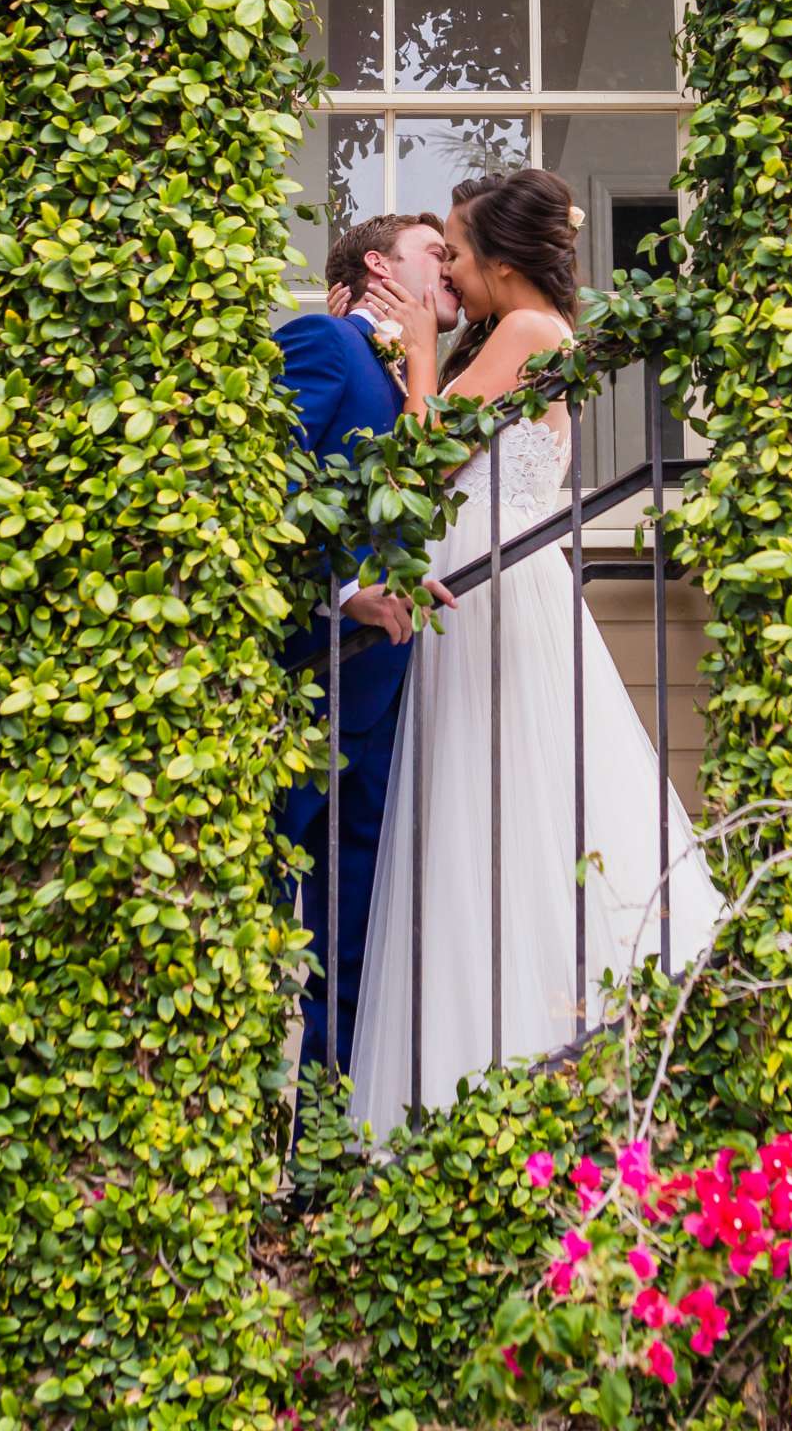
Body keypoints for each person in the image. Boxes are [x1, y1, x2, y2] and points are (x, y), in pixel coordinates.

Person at [343, 167, 723, 1137]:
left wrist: (421, 356)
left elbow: (424, 467)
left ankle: (511, 1078)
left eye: (459, 254)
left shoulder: (526, 333)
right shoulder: (525, 333)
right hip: (484, 599)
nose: (452, 273)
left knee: (510, 821)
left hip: (500, 605)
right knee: (484, 830)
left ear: (503, 262)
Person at [274, 212, 459, 1085]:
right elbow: (265, 487)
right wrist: (345, 593)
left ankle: (328, 1148)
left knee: (352, 951)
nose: (452, 264)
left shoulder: (412, 376)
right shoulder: (325, 342)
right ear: (380, 267)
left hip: (379, 709)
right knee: (261, 937)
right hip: (306, 694)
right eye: (436, 252)